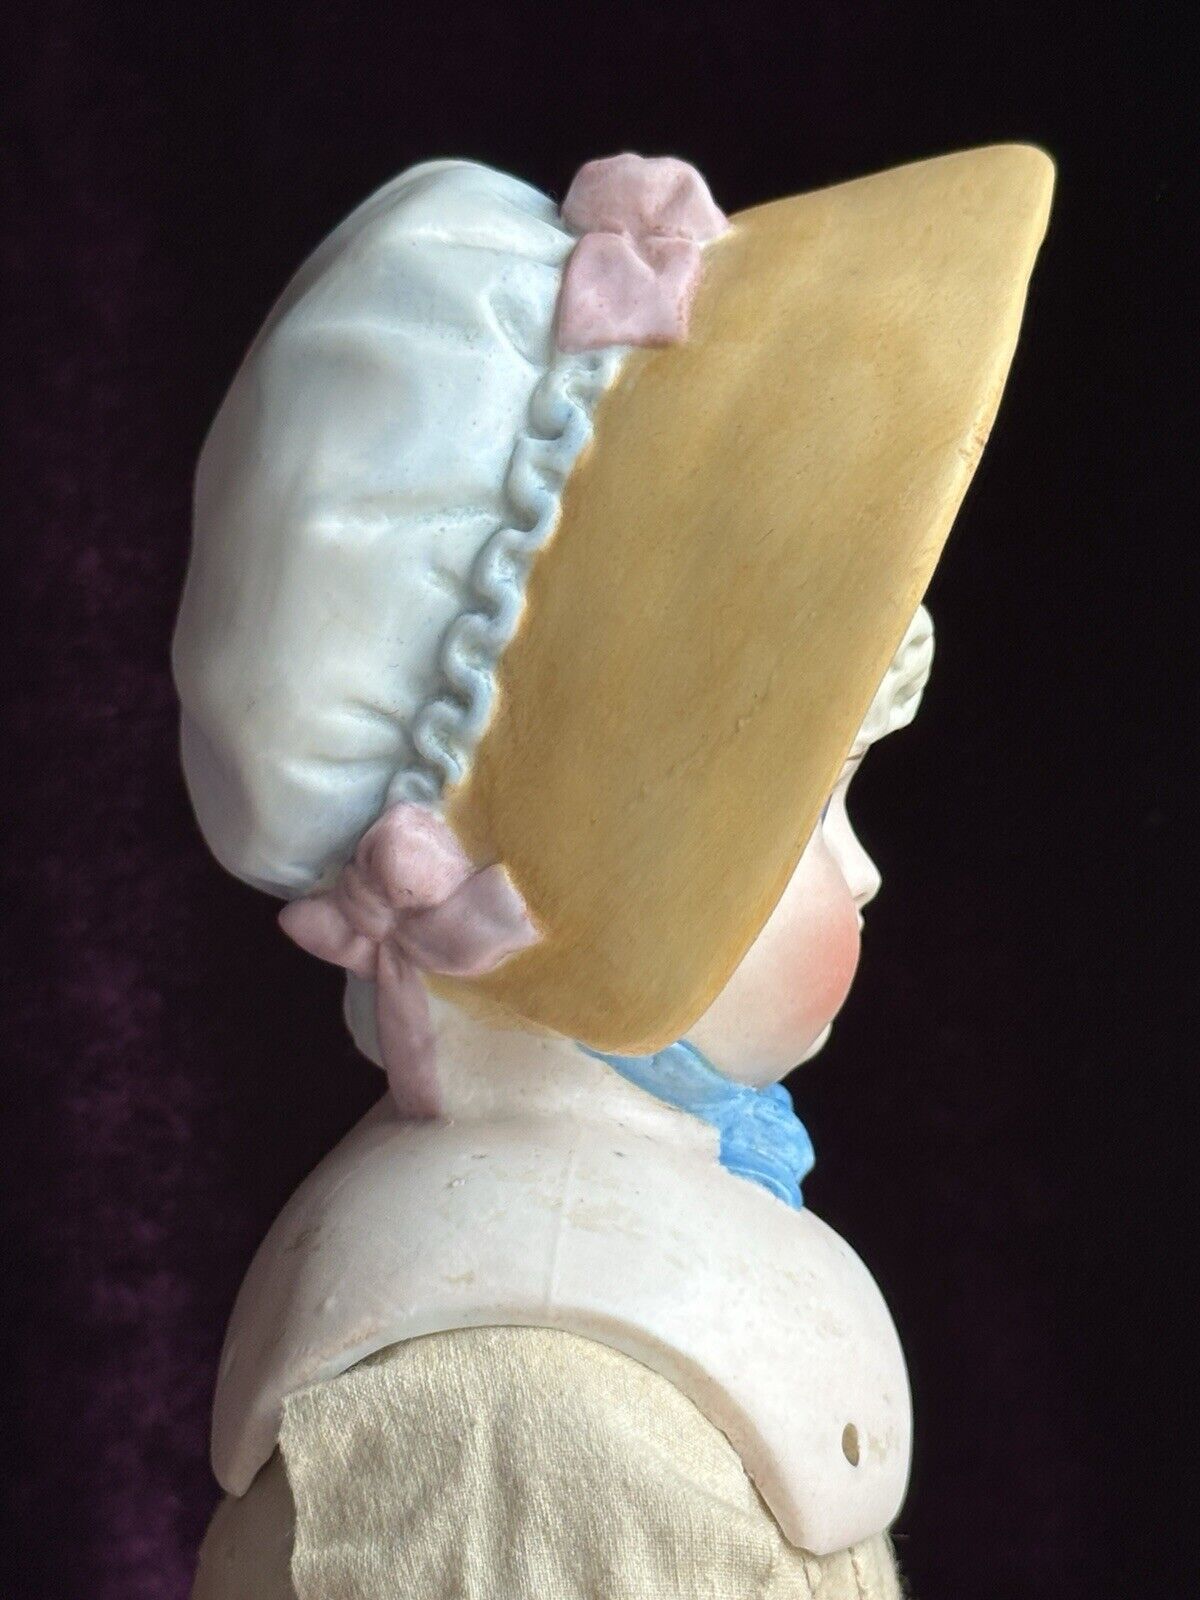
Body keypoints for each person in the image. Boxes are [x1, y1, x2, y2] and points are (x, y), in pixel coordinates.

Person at [178, 148, 1052, 1597]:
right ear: (599, 865)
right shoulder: (521, 1403)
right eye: (811, 811)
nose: (865, 875)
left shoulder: (609, 1309)